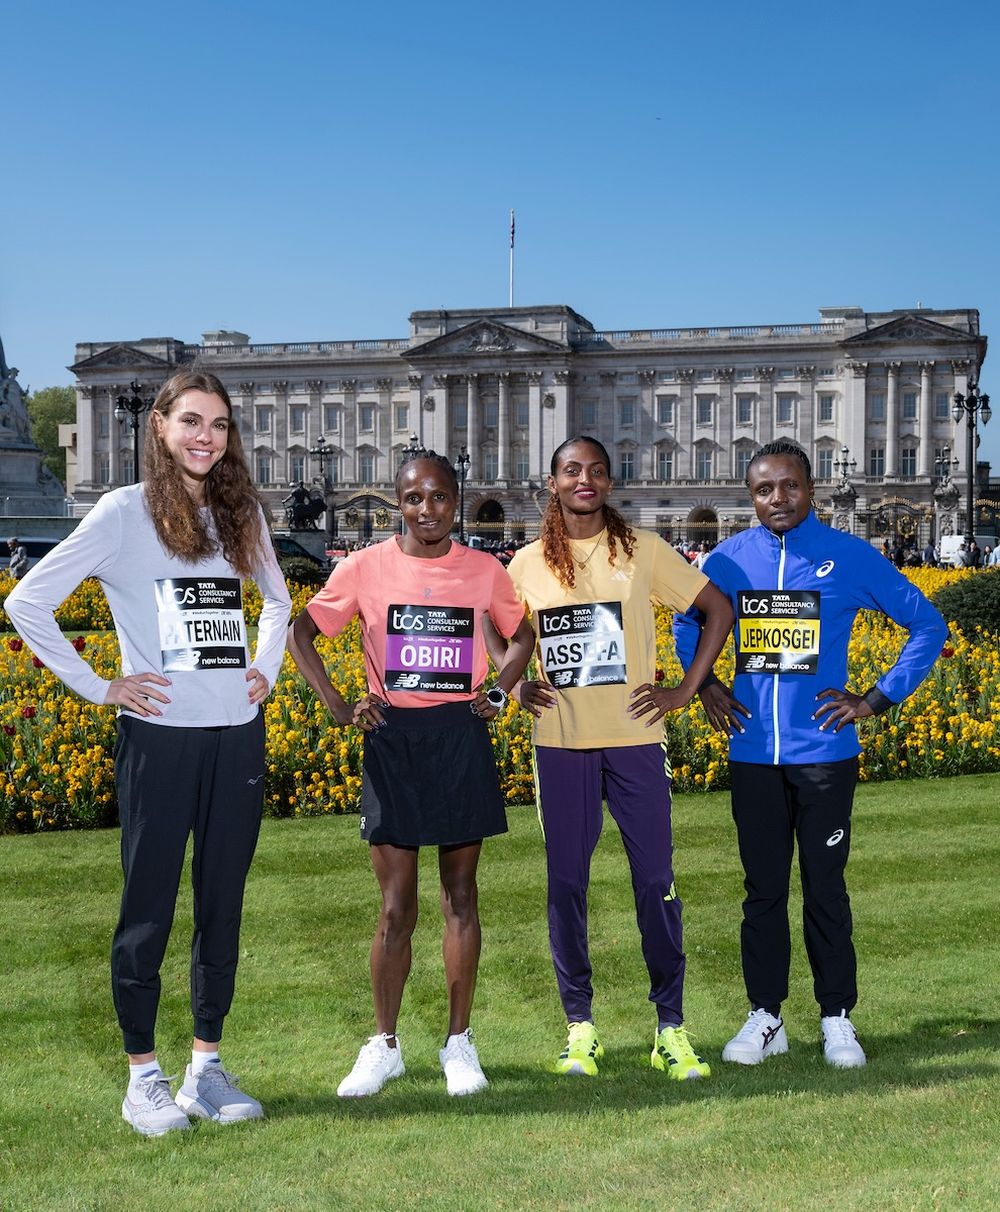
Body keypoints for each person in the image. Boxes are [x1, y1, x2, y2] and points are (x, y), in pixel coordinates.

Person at [6, 370, 291, 1136]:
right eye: (193, 421)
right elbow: (25, 601)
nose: (208, 436)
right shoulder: (121, 515)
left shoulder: (240, 514)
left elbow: (280, 599)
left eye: (221, 425)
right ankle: (143, 1077)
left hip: (237, 736)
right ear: (159, 426)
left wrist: (265, 664)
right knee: (149, 910)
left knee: (221, 907)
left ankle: (206, 1067)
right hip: (160, 741)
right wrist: (100, 686)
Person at [673, 439, 947, 1070]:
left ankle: (836, 1018)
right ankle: (766, 1016)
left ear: (812, 488)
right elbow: (688, 624)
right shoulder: (728, 560)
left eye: (789, 486)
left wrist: (875, 700)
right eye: (765, 489)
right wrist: (705, 684)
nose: (778, 499)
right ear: (751, 496)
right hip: (752, 755)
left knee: (825, 888)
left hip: (825, 753)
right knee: (762, 890)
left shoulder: (847, 555)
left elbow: (927, 624)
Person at [286, 449, 535, 1098]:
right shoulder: (365, 568)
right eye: (414, 499)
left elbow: (522, 635)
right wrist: (340, 704)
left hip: (459, 739)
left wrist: (503, 694)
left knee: (461, 898)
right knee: (396, 908)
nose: (428, 511)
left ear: (458, 500)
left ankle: (459, 1042)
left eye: (440, 499)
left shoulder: (483, 570)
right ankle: (385, 1043)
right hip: (392, 741)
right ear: (398, 502)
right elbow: (301, 634)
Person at [487, 437, 734, 1080]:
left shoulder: (643, 550)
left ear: (609, 481)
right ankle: (580, 1027)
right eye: (572, 471)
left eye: (596, 471)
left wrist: (685, 689)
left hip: (634, 741)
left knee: (655, 882)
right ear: (553, 483)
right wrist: (509, 682)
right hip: (561, 743)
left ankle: (670, 1028)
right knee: (567, 884)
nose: (585, 480)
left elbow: (717, 609)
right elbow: (492, 622)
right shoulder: (525, 563)